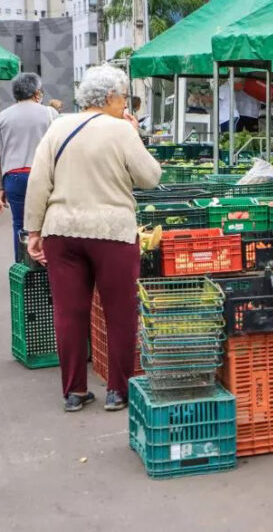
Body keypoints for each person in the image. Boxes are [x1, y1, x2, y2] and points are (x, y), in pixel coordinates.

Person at [24, 64, 162, 412]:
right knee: (119, 312)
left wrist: (34, 231)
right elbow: (150, 177)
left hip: (62, 231)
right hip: (111, 231)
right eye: (124, 97)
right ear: (110, 97)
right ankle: (118, 391)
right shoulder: (122, 130)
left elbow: (39, 181)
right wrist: (135, 136)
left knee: (69, 313)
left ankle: (73, 391)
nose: (125, 104)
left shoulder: (58, 127)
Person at [0, 72, 57, 255]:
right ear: (36, 92)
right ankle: (47, 264)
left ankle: (23, 266)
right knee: (47, 224)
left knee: (20, 224)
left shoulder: (3, 117)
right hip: (43, 176)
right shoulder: (50, 114)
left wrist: (1, 187)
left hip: (14, 177)